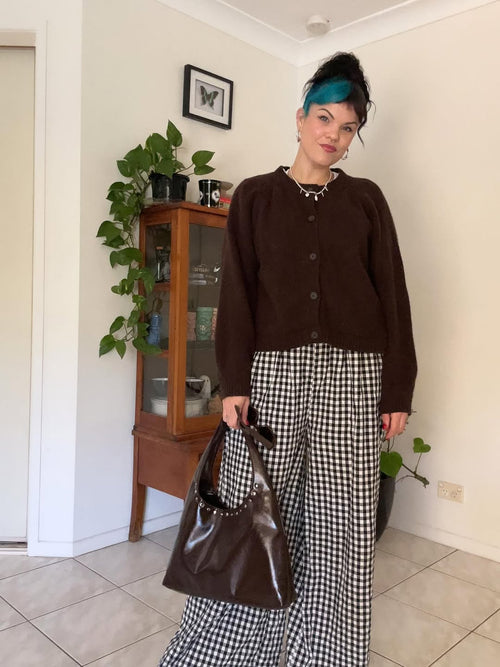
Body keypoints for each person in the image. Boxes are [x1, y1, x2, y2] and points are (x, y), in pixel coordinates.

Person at [159, 51, 416, 667]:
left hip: (354, 375)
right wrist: (233, 383)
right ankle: (231, 648)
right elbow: (237, 297)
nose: (333, 135)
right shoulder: (255, 196)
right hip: (272, 374)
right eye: (324, 119)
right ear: (300, 118)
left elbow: (393, 294)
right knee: (256, 509)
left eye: (348, 127)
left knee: (340, 521)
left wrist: (397, 390)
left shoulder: (367, 200)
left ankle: (325, 651)